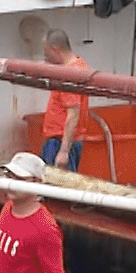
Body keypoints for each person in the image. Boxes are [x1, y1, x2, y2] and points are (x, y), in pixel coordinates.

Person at [39, 29, 89, 171]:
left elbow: (73, 114)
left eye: (46, 52)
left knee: (54, 188)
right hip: (65, 141)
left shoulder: (69, 75)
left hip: (60, 142)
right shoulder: (79, 66)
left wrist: (63, 151)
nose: (45, 56)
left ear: (55, 49)